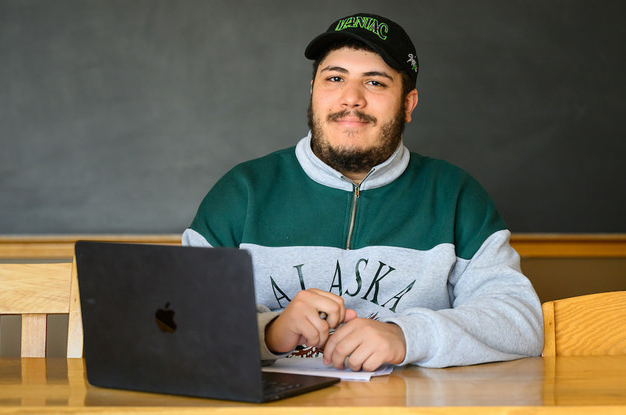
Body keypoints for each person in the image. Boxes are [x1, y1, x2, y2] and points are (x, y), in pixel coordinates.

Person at [183, 12, 543, 371]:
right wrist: (269, 332)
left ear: (407, 104)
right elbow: (181, 317)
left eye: (375, 83)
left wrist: (406, 336)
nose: (350, 98)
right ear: (313, 93)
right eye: (335, 78)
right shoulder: (242, 191)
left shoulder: (455, 195)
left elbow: (520, 321)